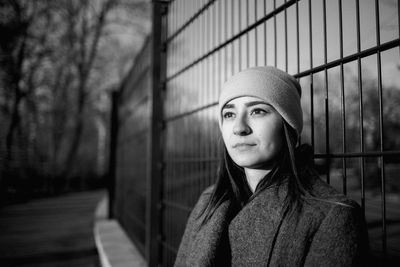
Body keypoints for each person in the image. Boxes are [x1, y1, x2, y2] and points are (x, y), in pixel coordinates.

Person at [174, 66, 370, 267]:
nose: (239, 127)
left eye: (257, 111)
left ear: (288, 125)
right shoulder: (208, 202)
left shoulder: (333, 217)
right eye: (229, 115)